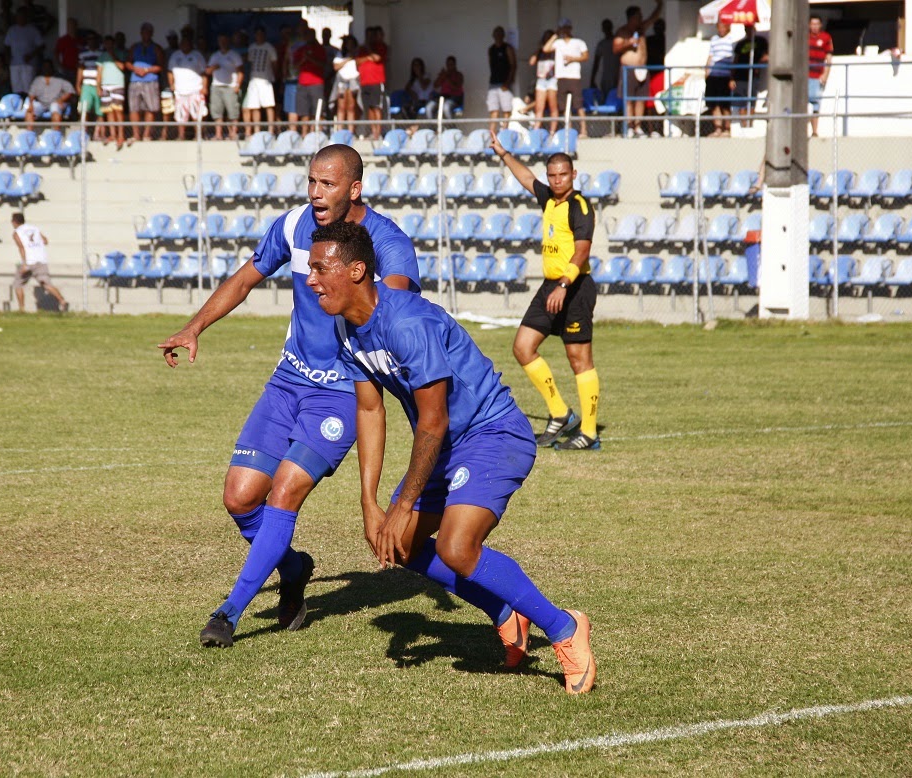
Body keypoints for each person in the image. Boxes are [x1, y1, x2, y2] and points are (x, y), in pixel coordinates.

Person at [308, 220, 597, 695]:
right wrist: (370, 502)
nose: (311, 279)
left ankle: (564, 628)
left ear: (356, 270)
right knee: (398, 544)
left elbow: (434, 420)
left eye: (322, 268)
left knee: (456, 548)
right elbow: (368, 407)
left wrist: (403, 503)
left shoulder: (406, 323)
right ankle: (506, 612)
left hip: (492, 432)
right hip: (444, 444)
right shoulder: (345, 328)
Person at [156, 145, 421, 650]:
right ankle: (295, 567)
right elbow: (247, 276)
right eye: (312, 182)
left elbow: (394, 304)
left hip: (343, 391)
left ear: (355, 189)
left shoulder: (387, 242)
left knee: (283, 494)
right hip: (288, 382)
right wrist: (195, 327)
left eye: (329, 185)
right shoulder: (294, 226)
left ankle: (229, 612)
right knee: (239, 497)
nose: (317, 194)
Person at [489, 131, 601, 451]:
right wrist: (503, 153)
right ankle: (560, 413)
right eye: (552, 175)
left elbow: (582, 251)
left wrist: (564, 285)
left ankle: (589, 433)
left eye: (562, 174)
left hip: (574, 286)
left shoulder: (579, 206)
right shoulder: (549, 198)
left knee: (579, 359)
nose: (556, 180)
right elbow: (526, 178)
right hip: (551, 286)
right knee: (523, 347)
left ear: (573, 175)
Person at [613, 1, 663, 136]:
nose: (641, 18)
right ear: (631, 17)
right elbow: (615, 48)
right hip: (628, 69)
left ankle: (638, 126)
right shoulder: (622, 32)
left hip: (642, 69)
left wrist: (660, 4)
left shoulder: (641, 29)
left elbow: (653, 17)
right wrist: (628, 43)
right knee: (629, 99)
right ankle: (629, 126)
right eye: (638, 16)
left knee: (641, 99)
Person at [10, 212, 67, 312]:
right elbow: (45, 241)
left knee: (18, 284)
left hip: (29, 261)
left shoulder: (17, 233)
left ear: (14, 222)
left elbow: (21, 248)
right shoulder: (34, 228)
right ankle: (62, 301)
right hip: (41, 259)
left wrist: (24, 264)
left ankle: (21, 308)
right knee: (46, 284)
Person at [544, 19, 588, 137]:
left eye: (567, 27)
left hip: (574, 77)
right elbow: (546, 49)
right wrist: (555, 34)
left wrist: (572, 59)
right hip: (561, 77)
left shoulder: (578, 42)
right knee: (563, 107)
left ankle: (584, 130)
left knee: (578, 105)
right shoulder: (558, 43)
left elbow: (586, 56)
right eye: (563, 28)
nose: (565, 30)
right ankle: (569, 130)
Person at [168, 28, 208, 140]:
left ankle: (198, 136)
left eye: (186, 43)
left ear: (190, 44)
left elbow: (204, 72)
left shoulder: (197, 55)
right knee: (180, 115)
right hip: (180, 90)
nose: (184, 45)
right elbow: (170, 71)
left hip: (195, 89)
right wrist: (171, 83)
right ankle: (181, 136)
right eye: (182, 43)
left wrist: (204, 87)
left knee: (197, 114)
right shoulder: (175, 55)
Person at [127, 22, 165, 142]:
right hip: (135, 80)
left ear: (152, 33)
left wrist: (148, 70)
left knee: (151, 108)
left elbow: (161, 65)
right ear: (141, 33)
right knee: (134, 108)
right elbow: (127, 63)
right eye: (144, 31)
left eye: (148, 31)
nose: (146, 34)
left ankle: (146, 134)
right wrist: (135, 69)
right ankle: (136, 134)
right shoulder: (134, 47)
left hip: (150, 81)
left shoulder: (156, 48)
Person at [206, 33, 243, 141]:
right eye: (220, 41)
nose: (222, 43)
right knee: (217, 112)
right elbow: (207, 71)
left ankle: (233, 134)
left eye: (224, 40)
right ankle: (218, 134)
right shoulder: (215, 56)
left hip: (230, 86)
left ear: (228, 41)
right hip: (216, 86)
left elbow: (240, 71)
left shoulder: (234, 55)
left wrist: (237, 85)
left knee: (233, 112)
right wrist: (213, 67)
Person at [731, 23, 769, 127]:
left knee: (751, 101)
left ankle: (749, 124)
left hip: (753, 76)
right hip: (740, 76)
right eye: (746, 29)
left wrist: (757, 63)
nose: (749, 31)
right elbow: (735, 60)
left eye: (750, 28)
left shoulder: (761, 42)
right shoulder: (740, 44)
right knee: (741, 101)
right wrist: (732, 77)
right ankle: (743, 125)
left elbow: (767, 56)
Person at [242, 26, 278, 135]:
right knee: (254, 105)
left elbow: (274, 63)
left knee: (269, 105)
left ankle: (271, 130)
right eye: (257, 34)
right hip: (254, 80)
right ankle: (256, 130)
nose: (259, 36)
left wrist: (274, 76)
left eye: (261, 34)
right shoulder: (252, 47)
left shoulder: (269, 47)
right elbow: (249, 62)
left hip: (265, 80)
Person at [704, 20, 737, 137]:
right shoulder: (714, 39)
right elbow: (710, 56)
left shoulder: (732, 40)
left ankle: (727, 129)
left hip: (725, 76)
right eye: (719, 27)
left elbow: (734, 60)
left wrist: (732, 77)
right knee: (714, 104)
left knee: (725, 104)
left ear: (728, 27)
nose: (721, 29)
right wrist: (707, 72)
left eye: (723, 27)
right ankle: (717, 129)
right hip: (713, 75)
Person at [293, 26, 327, 133]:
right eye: (307, 35)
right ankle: (305, 134)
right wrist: (304, 59)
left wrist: (310, 58)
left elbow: (323, 64)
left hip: (316, 84)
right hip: (302, 84)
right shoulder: (300, 50)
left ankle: (317, 133)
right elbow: (294, 67)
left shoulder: (320, 49)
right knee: (304, 111)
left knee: (317, 110)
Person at [356, 26, 387, 140]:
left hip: (376, 82)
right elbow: (358, 61)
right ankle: (372, 131)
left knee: (376, 107)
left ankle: (377, 133)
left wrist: (369, 51)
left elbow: (376, 58)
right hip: (365, 82)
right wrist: (368, 57)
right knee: (368, 108)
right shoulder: (362, 49)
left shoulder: (381, 46)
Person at [24, 58, 74, 130]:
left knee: (55, 110)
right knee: (29, 112)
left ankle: (55, 134)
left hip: (55, 102)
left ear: (52, 68)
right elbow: (31, 94)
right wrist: (31, 104)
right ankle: (29, 133)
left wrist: (61, 100)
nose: (46, 69)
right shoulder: (37, 80)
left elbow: (70, 91)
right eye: (44, 67)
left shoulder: (60, 78)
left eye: (48, 67)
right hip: (41, 103)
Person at [3, 6, 43, 94]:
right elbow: (6, 45)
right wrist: (7, 58)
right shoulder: (12, 30)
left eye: (22, 16)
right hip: (14, 64)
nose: (20, 18)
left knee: (28, 89)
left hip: (28, 64)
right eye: (18, 16)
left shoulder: (32, 30)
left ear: (26, 17)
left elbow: (41, 46)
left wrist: (31, 55)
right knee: (16, 89)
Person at [97, 35, 126, 147]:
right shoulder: (102, 57)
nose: (108, 46)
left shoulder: (120, 53)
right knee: (108, 111)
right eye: (106, 43)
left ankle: (121, 135)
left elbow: (122, 67)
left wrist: (113, 55)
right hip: (105, 85)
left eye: (110, 43)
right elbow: (99, 72)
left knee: (118, 110)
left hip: (117, 84)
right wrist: (98, 86)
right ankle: (113, 134)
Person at [487, 26, 516, 133]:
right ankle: (492, 133)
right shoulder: (491, 49)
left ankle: (505, 131)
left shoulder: (507, 48)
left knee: (506, 109)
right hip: (493, 83)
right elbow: (491, 64)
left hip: (505, 83)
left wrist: (508, 82)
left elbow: (513, 65)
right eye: (496, 34)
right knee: (493, 109)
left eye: (500, 34)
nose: (497, 36)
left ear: (503, 36)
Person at [808, 15, 833, 137]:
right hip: (805, 76)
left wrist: (825, 75)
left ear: (820, 25)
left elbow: (829, 58)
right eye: (812, 24)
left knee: (816, 103)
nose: (814, 26)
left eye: (817, 24)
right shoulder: (804, 37)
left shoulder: (826, 37)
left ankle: (814, 131)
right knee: (801, 104)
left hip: (817, 76)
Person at [76, 32, 103, 141]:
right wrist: (78, 84)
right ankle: (83, 133)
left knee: (99, 111)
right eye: (89, 39)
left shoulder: (102, 53)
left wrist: (99, 85)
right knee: (84, 109)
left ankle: (97, 134)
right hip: (86, 84)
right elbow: (80, 69)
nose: (91, 41)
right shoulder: (83, 53)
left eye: (93, 39)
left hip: (98, 85)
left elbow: (102, 70)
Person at [331, 34, 360, 134]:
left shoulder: (357, 54)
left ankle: (350, 131)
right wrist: (348, 59)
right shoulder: (340, 54)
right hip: (342, 83)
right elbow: (336, 67)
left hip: (353, 82)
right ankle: (340, 131)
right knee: (341, 107)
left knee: (351, 107)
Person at [529, 30, 557, 132]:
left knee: (552, 107)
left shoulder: (555, 49)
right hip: (541, 80)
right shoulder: (540, 52)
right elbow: (532, 62)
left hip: (552, 79)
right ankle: (536, 129)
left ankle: (552, 131)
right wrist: (538, 50)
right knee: (539, 107)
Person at [590, 18, 619, 103]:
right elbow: (596, 62)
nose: (607, 29)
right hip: (606, 77)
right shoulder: (601, 44)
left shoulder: (617, 42)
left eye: (608, 26)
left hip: (618, 75)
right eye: (605, 27)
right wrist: (592, 79)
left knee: (618, 98)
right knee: (606, 99)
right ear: (602, 29)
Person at [431, 55, 464, 120]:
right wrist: (441, 77)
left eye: (451, 64)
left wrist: (447, 78)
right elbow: (435, 85)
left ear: (455, 65)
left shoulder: (459, 75)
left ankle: (452, 128)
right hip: (443, 97)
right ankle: (432, 129)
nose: (449, 66)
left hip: (455, 98)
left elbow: (456, 87)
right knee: (429, 107)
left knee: (446, 107)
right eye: (448, 64)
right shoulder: (444, 74)